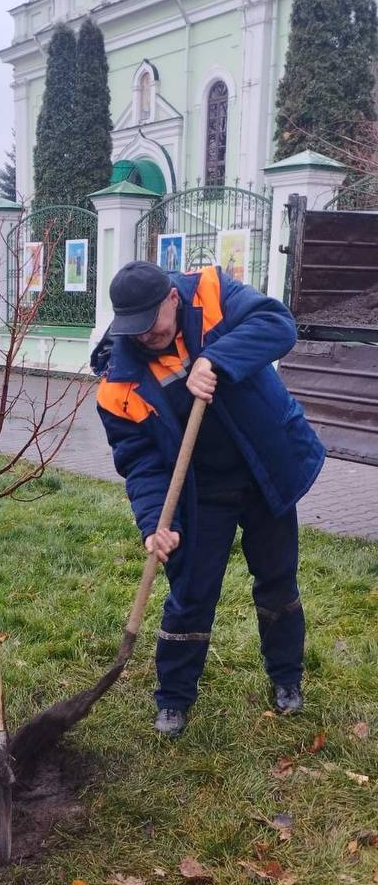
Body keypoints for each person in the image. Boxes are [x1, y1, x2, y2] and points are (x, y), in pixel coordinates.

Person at [92, 260, 325, 738]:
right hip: (201, 493)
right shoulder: (119, 384)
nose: (144, 336)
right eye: (132, 328)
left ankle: (287, 679)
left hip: (264, 470)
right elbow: (140, 461)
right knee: (191, 593)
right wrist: (158, 520)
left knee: (278, 579)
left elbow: (277, 324)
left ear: (173, 299)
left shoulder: (211, 292)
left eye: (151, 322)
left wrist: (213, 359)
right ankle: (174, 698)